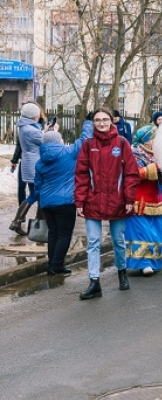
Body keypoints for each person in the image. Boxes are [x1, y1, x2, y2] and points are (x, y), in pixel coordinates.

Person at [74, 108, 140, 299]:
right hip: (93, 201)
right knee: (93, 242)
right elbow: (81, 175)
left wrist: (129, 199)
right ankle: (94, 282)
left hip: (117, 201)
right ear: (93, 123)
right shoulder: (88, 144)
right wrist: (80, 201)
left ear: (112, 121)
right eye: (97, 120)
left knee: (118, 241)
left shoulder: (122, 143)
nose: (101, 123)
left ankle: (122, 272)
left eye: (105, 120)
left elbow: (131, 174)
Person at [33, 118, 93, 276]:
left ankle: (52, 264)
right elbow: (84, 139)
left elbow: (37, 185)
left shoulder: (39, 162)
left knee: (53, 233)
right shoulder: (68, 153)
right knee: (64, 234)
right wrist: (87, 122)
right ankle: (56, 265)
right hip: (65, 201)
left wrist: (40, 200)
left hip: (47, 202)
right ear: (59, 140)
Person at [124, 125, 162, 276]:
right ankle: (143, 263)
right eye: (155, 138)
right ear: (147, 140)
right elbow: (134, 173)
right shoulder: (133, 153)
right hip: (138, 200)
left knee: (156, 232)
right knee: (142, 232)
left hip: (156, 199)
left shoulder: (158, 154)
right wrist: (156, 168)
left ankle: (154, 262)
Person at [9, 102, 47, 235]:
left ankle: (35, 222)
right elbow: (47, 141)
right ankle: (19, 221)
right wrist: (52, 131)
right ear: (34, 116)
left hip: (28, 163)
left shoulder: (24, 127)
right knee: (38, 194)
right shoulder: (31, 130)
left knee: (37, 193)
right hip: (34, 165)